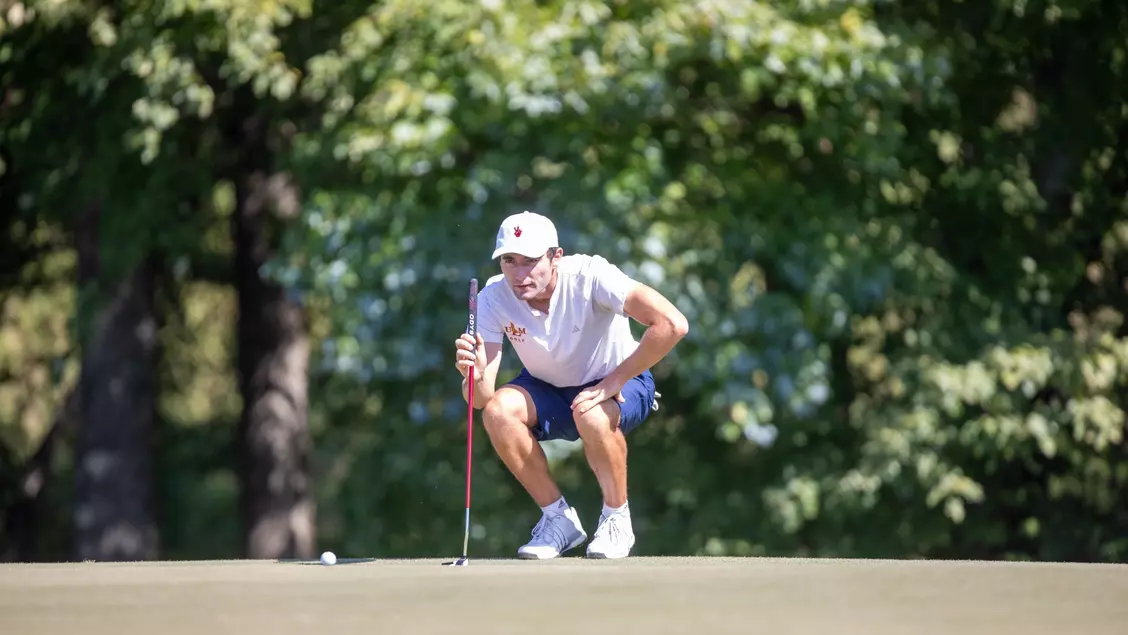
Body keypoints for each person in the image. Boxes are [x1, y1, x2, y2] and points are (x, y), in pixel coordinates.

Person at [453, 211, 689, 559]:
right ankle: (558, 520)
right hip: (549, 386)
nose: (519, 274)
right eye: (509, 261)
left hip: (620, 380)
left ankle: (616, 519)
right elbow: (480, 399)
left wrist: (615, 380)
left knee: (591, 414)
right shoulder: (492, 297)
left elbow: (672, 323)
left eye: (531, 261)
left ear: (556, 256)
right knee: (498, 412)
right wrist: (470, 374)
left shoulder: (592, 275)